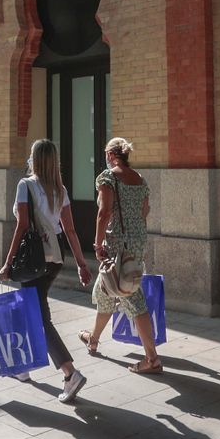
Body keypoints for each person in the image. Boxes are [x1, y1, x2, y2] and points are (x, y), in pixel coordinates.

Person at [0, 139, 93, 403]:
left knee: (40, 318)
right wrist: (81, 264)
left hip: (32, 261)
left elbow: (22, 226)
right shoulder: (59, 189)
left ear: (35, 159)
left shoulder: (25, 185)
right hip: (54, 259)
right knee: (33, 311)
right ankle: (23, 367)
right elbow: (70, 230)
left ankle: (69, 373)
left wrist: (8, 262)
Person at [81, 137, 161, 375]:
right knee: (107, 290)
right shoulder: (140, 180)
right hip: (136, 244)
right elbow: (144, 211)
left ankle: (152, 359)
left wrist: (97, 244)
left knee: (131, 296)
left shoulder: (107, 178)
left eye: (106, 154)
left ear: (110, 155)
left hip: (117, 246)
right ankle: (93, 339)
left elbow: (104, 212)